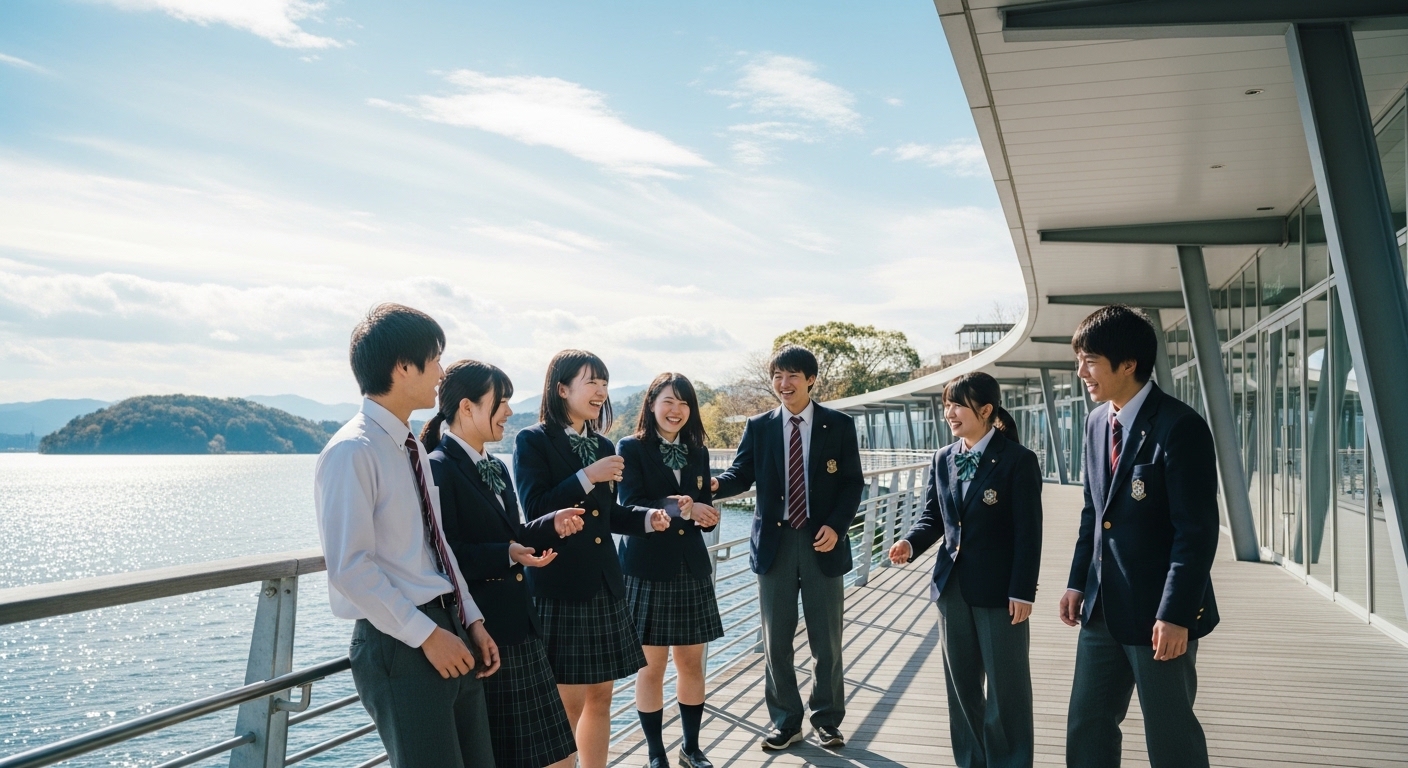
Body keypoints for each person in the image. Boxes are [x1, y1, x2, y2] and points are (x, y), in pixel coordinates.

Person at [314, 303, 499, 768]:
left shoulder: (410, 444)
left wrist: (470, 619)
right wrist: (427, 636)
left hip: (447, 628)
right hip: (400, 640)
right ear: (402, 366)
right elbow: (350, 568)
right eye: (434, 358)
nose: (441, 371)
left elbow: (435, 545)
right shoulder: (351, 452)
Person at [1059, 305, 1220, 768]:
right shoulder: (1095, 424)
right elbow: (1094, 514)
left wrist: (1175, 614)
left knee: (1170, 738)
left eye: (1089, 360)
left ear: (1128, 363)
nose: (1081, 372)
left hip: (1159, 618)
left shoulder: (1180, 427)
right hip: (1100, 610)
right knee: (1086, 727)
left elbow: (1195, 533)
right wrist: (1076, 582)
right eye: (1079, 360)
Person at [513, 349, 674, 768]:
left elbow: (608, 516)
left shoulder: (601, 444)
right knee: (566, 701)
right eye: (592, 382)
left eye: (604, 383)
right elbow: (535, 509)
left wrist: (647, 519)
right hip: (560, 586)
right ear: (562, 388)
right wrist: (588, 476)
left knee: (601, 695)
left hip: (604, 583)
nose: (601, 392)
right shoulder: (532, 440)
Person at [423, 360, 584, 768]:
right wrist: (505, 553)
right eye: (502, 402)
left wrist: (550, 523)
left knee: (560, 756)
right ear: (466, 407)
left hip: (522, 626)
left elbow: (512, 533)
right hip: (485, 633)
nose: (510, 412)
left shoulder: (495, 465)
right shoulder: (439, 468)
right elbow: (444, 553)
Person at [711, 344, 863, 751]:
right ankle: (785, 721)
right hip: (775, 546)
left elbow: (853, 483)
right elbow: (740, 473)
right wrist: (711, 486)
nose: (784, 383)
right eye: (778, 376)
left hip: (822, 543)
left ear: (811, 379)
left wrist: (837, 526)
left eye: (793, 375)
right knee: (776, 641)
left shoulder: (839, 425)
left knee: (826, 641)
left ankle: (827, 719)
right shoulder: (759, 426)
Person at [888, 371, 1042, 768]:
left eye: (958, 404)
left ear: (986, 409)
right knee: (962, 689)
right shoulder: (943, 458)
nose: (950, 413)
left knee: (1007, 690)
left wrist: (1023, 590)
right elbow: (933, 519)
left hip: (1001, 593)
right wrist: (910, 543)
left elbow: (1029, 533)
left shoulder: (1018, 461)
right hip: (951, 589)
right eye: (946, 405)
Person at [617, 372, 725, 768]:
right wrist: (684, 507)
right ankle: (655, 753)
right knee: (652, 667)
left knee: (692, 662)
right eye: (668, 401)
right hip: (647, 569)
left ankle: (691, 748)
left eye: (683, 403)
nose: (676, 410)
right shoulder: (630, 447)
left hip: (691, 566)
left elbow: (702, 505)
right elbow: (630, 504)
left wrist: (708, 516)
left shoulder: (698, 451)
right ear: (651, 404)